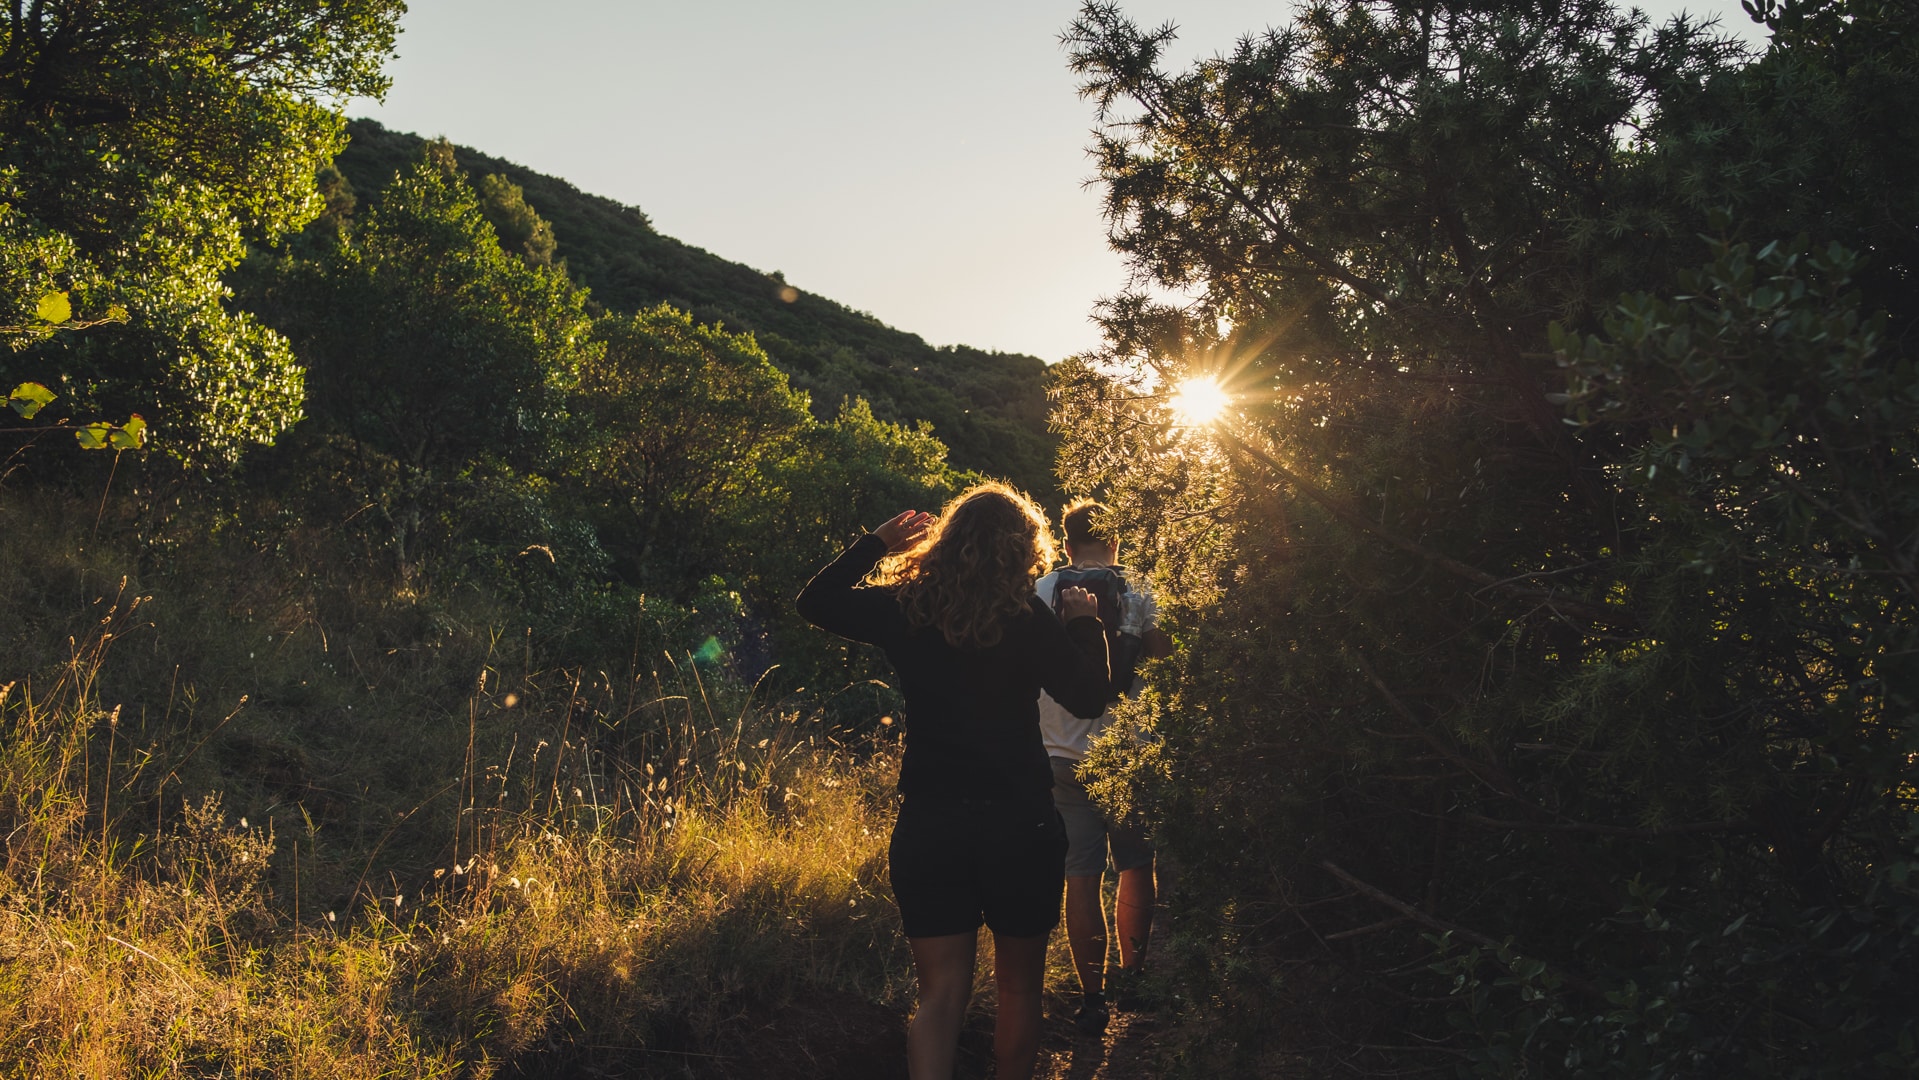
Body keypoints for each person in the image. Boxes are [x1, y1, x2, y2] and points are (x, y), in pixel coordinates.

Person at [796, 482, 1113, 1080]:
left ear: (949, 539)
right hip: (1020, 822)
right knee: (1020, 988)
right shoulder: (1028, 618)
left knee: (939, 995)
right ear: (1023, 549)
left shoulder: (908, 607)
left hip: (932, 823)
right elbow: (1089, 698)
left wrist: (875, 544)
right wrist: (1083, 625)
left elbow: (815, 603)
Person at [1034, 499, 1174, 1036]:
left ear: (1066, 544)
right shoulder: (1137, 586)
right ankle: (1131, 979)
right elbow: (1162, 655)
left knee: (1081, 875)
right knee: (1136, 865)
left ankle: (1093, 999)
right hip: (1129, 749)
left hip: (1060, 753)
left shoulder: (1042, 591)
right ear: (1115, 542)